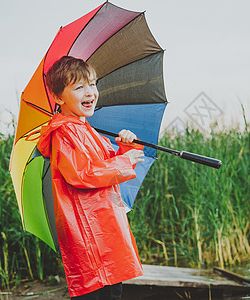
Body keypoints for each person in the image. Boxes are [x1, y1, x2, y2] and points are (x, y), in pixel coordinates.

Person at [37, 56, 144, 299]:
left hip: (106, 228)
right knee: (99, 292)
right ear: (58, 97)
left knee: (113, 290)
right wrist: (124, 161)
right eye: (79, 87)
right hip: (88, 236)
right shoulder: (63, 132)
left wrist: (126, 149)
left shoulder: (87, 129)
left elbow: (105, 166)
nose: (90, 92)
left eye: (93, 84)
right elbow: (83, 175)